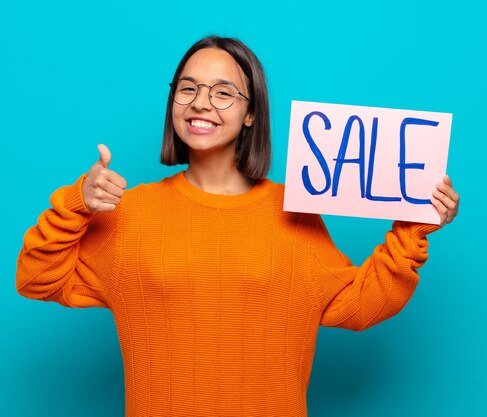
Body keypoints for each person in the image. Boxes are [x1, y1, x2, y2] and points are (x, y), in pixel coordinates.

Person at [16, 35, 460, 417]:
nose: (201, 102)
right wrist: (79, 203)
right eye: (187, 88)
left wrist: (411, 228)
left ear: (251, 114)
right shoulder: (129, 212)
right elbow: (35, 279)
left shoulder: (294, 210)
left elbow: (357, 305)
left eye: (223, 92)